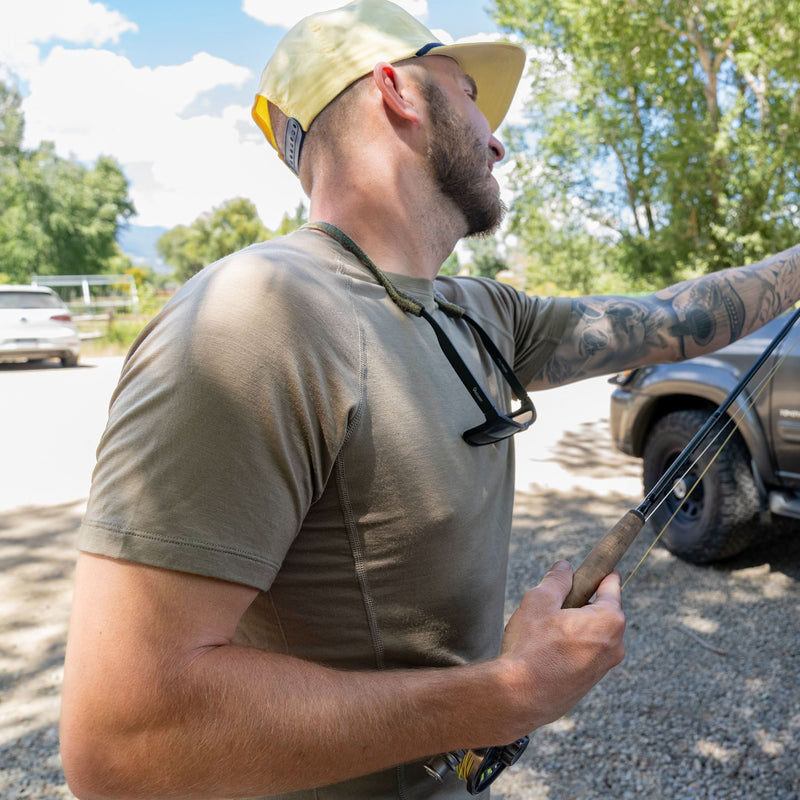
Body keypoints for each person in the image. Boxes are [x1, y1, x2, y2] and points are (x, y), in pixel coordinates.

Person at [60, 1, 800, 799]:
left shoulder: (482, 311)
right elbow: (122, 742)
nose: (498, 140)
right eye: (471, 95)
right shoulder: (258, 317)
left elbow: (675, 319)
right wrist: (507, 693)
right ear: (397, 91)